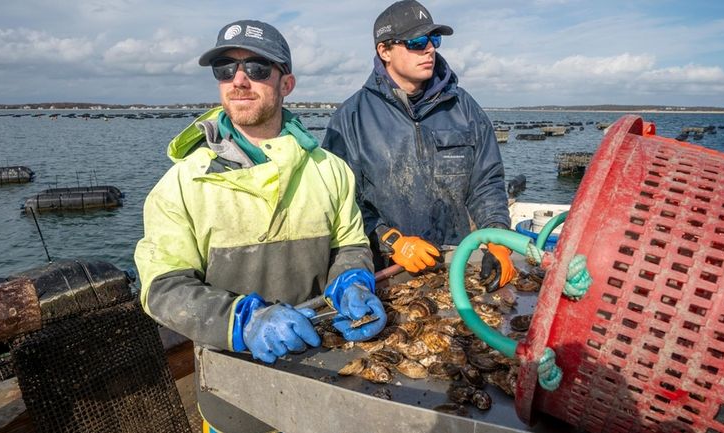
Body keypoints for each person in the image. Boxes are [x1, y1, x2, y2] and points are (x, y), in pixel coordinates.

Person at [134, 19, 386, 433]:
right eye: (225, 69)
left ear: (286, 84)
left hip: (327, 375)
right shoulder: (181, 183)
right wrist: (243, 321)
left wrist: (352, 282)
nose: (239, 81)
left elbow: (350, 244)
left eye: (257, 68)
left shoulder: (332, 171)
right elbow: (162, 287)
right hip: (232, 394)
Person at [322, 0, 516, 291]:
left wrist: (498, 237)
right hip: (388, 268)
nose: (430, 49)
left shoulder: (464, 107)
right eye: (416, 42)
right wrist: (392, 240)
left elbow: (486, 182)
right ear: (384, 50)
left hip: (455, 261)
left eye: (434, 39)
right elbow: (342, 202)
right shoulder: (350, 117)